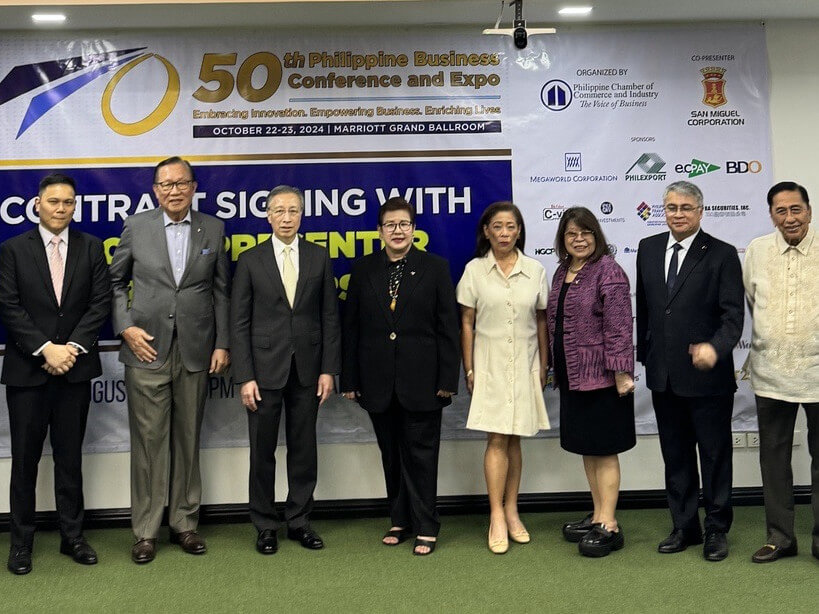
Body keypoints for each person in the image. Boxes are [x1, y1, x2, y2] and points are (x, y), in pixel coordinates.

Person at [109, 156, 230, 564]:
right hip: (146, 349)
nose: (174, 190)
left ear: (194, 187)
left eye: (181, 183)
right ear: (155, 190)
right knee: (149, 444)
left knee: (188, 439)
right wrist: (125, 327)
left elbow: (221, 291)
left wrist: (222, 343)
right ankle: (145, 532)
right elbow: (114, 282)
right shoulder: (136, 227)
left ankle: (185, 524)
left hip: (196, 349)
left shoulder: (213, 228)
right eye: (166, 184)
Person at [0, 173, 111, 575]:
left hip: (74, 372)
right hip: (28, 371)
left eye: (67, 202)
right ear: (38, 204)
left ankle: (73, 537)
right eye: (53, 202)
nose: (60, 208)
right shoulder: (12, 250)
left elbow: (99, 304)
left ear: (74, 206)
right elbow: (9, 306)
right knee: (25, 462)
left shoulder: (92, 248)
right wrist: (47, 349)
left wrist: (70, 350)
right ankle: (21, 544)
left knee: (69, 459)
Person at [341, 197, 459, 556]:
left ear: (413, 229)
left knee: (422, 456)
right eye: (390, 225)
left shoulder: (435, 268)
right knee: (391, 455)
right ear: (379, 231)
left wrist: (447, 380)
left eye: (404, 224)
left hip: (423, 382)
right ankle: (400, 519)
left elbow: (448, 329)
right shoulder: (363, 270)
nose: (397, 231)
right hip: (377, 383)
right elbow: (352, 329)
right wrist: (350, 379)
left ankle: (427, 525)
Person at [636, 180, 744, 562]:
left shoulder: (722, 254)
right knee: (676, 456)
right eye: (671, 207)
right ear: (662, 210)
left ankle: (716, 529)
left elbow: (733, 317)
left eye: (685, 208)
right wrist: (644, 357)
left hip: (708, 379)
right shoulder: (648, 250)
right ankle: (685, 526)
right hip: (664, 377)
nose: (677, 214)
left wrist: (714, 349)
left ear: (700, 211)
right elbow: (647, 312)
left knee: (715, 457)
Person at [231, 185, 340, 554]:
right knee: (261, 452)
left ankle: (299, 521)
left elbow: (329, 316)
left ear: (302, 214)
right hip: (262, 373)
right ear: (267, 215)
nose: (287, 218)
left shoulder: (319, 257)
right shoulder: (250, 260)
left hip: (308, 371)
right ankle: (264, 525)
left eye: (293, 211)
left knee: (303, 449)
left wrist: (329, 370)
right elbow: (239, 322)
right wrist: (245, 376)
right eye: (279, 211)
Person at [457, 201, 549, 555]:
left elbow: (541, 320)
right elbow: (466, 322)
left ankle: (513, 511)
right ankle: (496, 514)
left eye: (511, 227)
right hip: (490, 364)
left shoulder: (535, 270)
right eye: (498, 227)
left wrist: (543, 365)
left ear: (519, 231)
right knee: (497, 438)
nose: (505, 233)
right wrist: (469, 368)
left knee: (515, 439)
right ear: (487, 232)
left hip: (525, 363)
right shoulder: (475, 271)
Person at [547, 207, 635, 557]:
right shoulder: (561, 271)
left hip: (603, 378)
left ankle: (610, 524)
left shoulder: (608, 271)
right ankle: (597, 513)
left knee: (605, 448)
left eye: (585, 232)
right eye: (571, 234)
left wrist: (621, 372)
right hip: (572, 375)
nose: (578, 239)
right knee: (587, 447)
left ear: (596, 235)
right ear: (563, 240)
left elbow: (618, 326)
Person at [743, 181, 818, 564]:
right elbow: (754, 302)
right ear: (771, 214)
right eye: (781, 211)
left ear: (809, 209)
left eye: (796, 209)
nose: (789, 218)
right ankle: (781, 538)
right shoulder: (756, 251)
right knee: (773, 460)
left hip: (818, 374)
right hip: (771, 373)